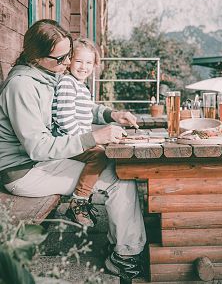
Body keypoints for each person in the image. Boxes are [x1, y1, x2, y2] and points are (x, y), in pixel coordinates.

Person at [0, 19, 145, 280]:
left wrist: (113, 114)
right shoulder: (22, 86)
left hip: (41, 162)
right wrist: (91, 138)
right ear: (36, 56)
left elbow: (80, 104)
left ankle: (120, 245)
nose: (68, 63)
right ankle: (124, 257)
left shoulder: (48, 75)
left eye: (69, 55)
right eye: (61, 58)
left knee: (117, 169)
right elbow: (37, 147)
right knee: (118, 179)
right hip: (23, 172)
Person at [52, 37, 108, 227]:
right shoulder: (68, 83)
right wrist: (89, 141)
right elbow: (65, 120)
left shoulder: (81, 86)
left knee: (103, 151)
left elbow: (86, 115)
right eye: (79, 61)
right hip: (67, 142)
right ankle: (79, 200)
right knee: (100, 155)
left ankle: (85, 198)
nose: (84, 66)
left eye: (89, 62)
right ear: (69, 61)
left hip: (77, 140)